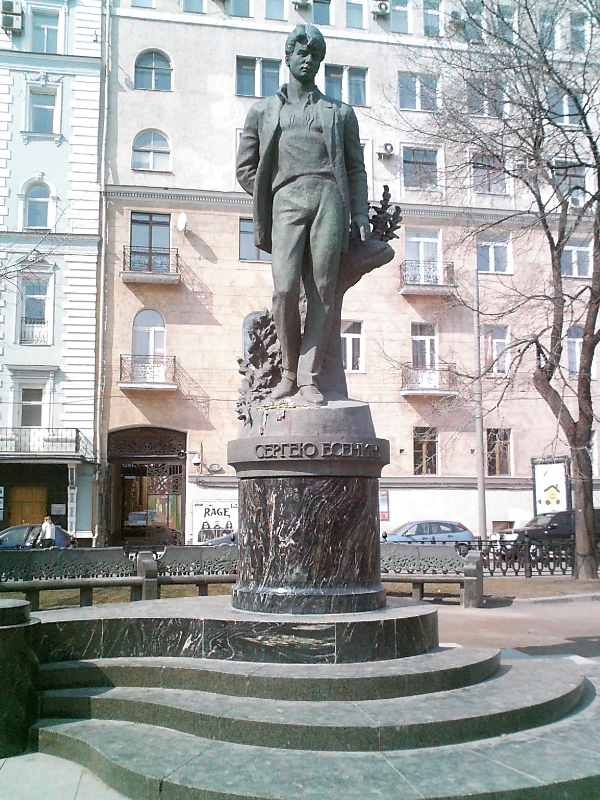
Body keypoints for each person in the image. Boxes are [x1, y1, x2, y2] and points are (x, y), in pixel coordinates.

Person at [236, 24, 369, 405]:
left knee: (322, 290)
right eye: (301, 52)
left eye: (314, 54)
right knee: (284, 290)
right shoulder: (263, 111)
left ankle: (309, 378)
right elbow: (245, 168)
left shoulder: (340, 113)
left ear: (320, 61)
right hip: (286, 199)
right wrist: (272, 197)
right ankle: (288, 374)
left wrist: (359, 211)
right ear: (288, 57)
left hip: (329, 198)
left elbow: (356, 168)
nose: (307, 59)